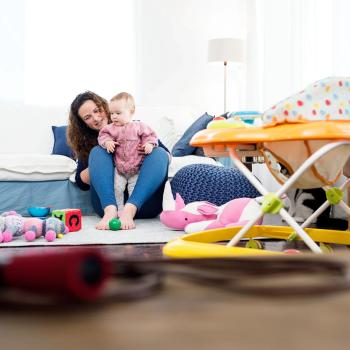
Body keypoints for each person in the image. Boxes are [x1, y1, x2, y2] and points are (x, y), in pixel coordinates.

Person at [67, 91, 170, 230]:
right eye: (88, 117)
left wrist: (146, 149)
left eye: (97, 110)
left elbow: (165, 157)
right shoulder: (86, 144)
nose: (96, 118)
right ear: (83, 123)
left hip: (144, 203)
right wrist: (106, 161)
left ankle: (130, 209)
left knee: (159, 153)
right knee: (98, 152)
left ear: (105, 107)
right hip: (109, 205)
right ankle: (111, 210)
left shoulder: (136, 127)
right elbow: (81, 183)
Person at [98, 92, 158, 216]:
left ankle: (130, 211)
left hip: (136, 168)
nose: (114, 116)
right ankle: (119, 209)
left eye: (118, 113)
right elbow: (103, 136)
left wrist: (149, 144)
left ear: (131, 111)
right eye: (112, 113)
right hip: (119, 168)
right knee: (117, 189)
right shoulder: (111, 128)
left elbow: (150, 136)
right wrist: (108, 142)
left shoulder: (139, 126)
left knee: (134, 190)